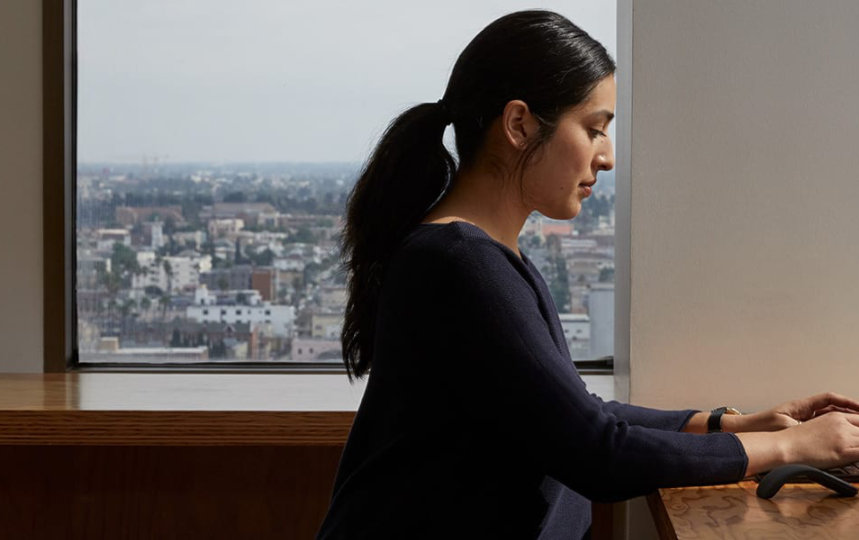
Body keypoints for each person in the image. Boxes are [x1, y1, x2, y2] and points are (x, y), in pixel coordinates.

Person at [316, 10, 859, 540]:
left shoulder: (484, 257)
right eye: (595, 129)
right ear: (519, 124)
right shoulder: (461, 265)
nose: (607, 157)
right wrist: (793, 448)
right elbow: (595, 452)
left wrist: (735, 424)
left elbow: (570, 414)